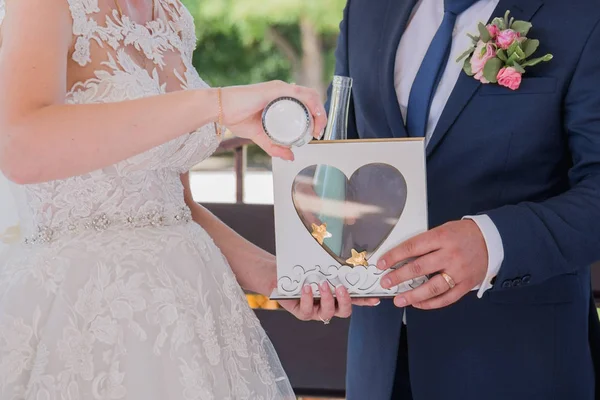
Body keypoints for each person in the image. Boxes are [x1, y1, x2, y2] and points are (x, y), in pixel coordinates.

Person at [0, 0, 379, 398]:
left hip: (195, 316)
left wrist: (277, 278)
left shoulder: (172, 16)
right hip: (86, 315)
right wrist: (217, 104)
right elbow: (20, 148)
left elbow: (176, 208)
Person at [325, 0, 600, 399]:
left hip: (517, 363)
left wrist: (493, 242)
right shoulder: (366, 8)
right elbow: (344, 152)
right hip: (376, 366)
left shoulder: (584, 12)